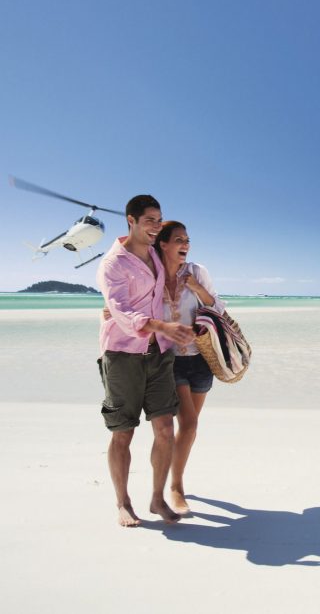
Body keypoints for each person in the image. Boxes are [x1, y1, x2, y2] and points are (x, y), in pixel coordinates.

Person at [97, 195, 196, 527]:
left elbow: (177, 260)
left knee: (166, 429)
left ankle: (157, 499)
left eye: (159, 219)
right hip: (123, 354)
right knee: (123, 432)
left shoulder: (155, 254)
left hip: (159, 353)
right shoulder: (113, 264)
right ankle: (123, 502)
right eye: (149, 220)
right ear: (131, 220)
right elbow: (123, 312)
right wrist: (162, 325)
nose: (155, 226)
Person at [154, 220, 225, 515]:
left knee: (190, 427)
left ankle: (174, 478)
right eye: (179, 239)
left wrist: (196, 288)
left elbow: (218, 307)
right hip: (170, 361)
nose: (185, 244)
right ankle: (175, 487)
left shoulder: (197, 271)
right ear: (163, 244)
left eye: (188, 240)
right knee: (189, 423)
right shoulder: (152, 275)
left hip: (201, 358)